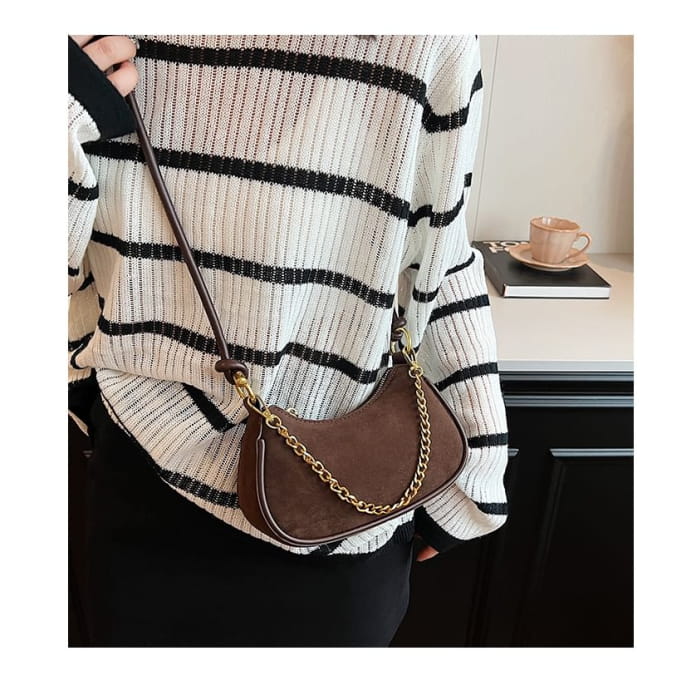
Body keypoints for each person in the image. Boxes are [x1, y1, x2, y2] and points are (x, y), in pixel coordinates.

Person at [68, 33, 510, 647]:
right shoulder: (94, 34)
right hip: (143, 479)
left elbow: (437, 247)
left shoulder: (421, 35)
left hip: (350, 493)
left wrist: (476, 462)